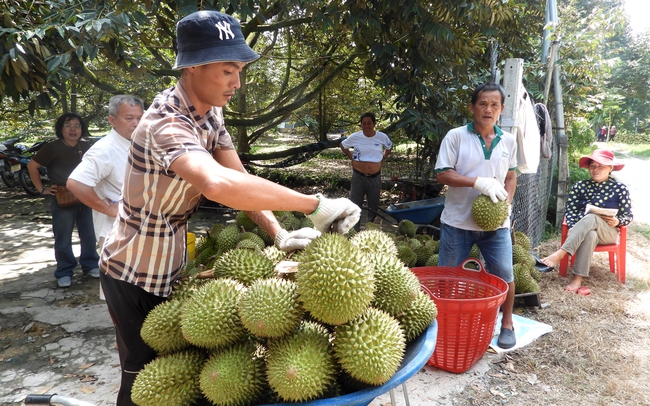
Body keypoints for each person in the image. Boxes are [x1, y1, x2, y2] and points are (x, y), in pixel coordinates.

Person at [98, 11, 360, 406]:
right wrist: (314, 205)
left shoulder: (210, 114)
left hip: (170, 264)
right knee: (141, 380)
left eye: (239, 70)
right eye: (227, 70)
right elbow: (218, 185)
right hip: (132, 271)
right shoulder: (164, 123)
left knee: (178, 378)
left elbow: (236, 175)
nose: (237, 82)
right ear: (192, 68)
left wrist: (279, 232)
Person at [434, 82, 517, 349]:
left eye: (494, 104)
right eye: (483, 103)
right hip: (457, 222)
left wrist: (507, 203)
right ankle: (444, 324)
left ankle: (507, 323)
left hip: (497, 225)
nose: (488, 109)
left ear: (502, 109)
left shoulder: (509, 141)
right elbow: (442, 174)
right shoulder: (455, 136)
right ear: (472, 107)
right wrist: (477, 182)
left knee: (504, 273)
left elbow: (512, 176)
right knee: (447, 277)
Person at [67, 95, 144, 298]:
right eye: (129, 118)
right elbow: (76, 182)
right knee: (122, 295)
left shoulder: (138, 143)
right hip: (118, 232)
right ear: (112, 120)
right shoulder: (104, 150)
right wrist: (110, 209)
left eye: (139, 117)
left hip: (141, 230)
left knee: (139, 293)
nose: (136, 123)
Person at [541, 149, 632, 296]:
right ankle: (577, 279)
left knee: (591, 218)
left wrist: (617, 221)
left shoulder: (620, 189)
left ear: (610, 168)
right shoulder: (579, 186)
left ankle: (560, 253)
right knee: (590, 234)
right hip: (585, 232)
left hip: (608, 232)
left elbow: (628, 215)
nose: (595, 169)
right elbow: (570, 212)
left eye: (601, 166)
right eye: (593, 166)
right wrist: (573, 226)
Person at [27, 113, 100, 288]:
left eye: (77, 125)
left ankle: (90, 265)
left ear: (82, 129)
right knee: (63, 235)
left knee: (89, 233)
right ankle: (64, 271)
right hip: (62, 196)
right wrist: (42, 189)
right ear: (61, 128)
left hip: (86, 194)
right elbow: (32, 165)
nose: (73, 129)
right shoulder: (53, 147)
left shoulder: (87, 146)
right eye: (68, 125)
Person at [340, 112, 392, 230]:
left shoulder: (382, 137)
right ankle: (354, 231)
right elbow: (343, 145)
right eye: (364, 124)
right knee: (354, 206)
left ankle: (370, 230)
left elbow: (389, 147)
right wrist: (351, 156)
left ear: (374, 124)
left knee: (373, 206)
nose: (366, 126)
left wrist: (383, 157)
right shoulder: (355, 137)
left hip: (375, 177)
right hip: (358, 177)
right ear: (361, 125)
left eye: (369, 123)